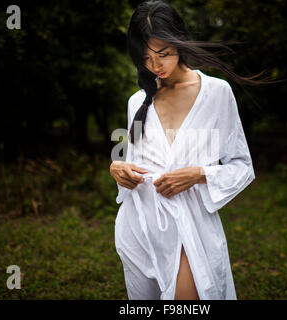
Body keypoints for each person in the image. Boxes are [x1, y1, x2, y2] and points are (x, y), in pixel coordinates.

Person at [109, 0, 268, 300]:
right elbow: (129, 164)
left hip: (189, 226)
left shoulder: (216, 93)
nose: (155, 66)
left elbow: (242, 166)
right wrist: (116, 169)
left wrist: (199, 174)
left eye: (164, 54)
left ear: (179, 42)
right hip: (139, 226)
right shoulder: (137, 101)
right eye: (145, 57)